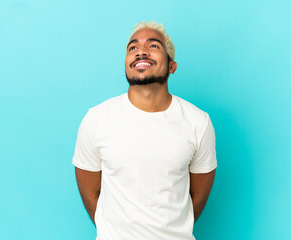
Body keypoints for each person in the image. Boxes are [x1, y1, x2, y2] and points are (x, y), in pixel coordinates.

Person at [73, 21, 217, 240]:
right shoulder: (97, 119)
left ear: (172, 66)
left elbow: (196, 198)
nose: (141, 51)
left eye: (153, 46)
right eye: (133, 48)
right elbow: (90, 193)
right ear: (126, 63)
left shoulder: (198, 122)